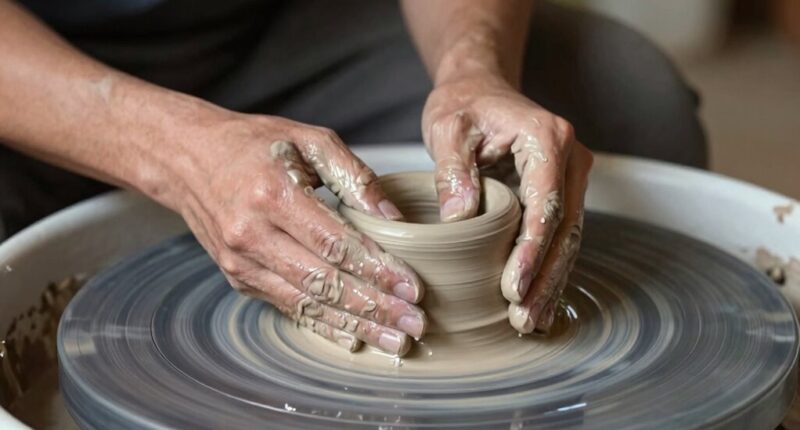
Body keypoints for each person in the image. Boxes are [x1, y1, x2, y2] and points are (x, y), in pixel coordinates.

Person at [0, 0, 706, 356]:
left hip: (274, 27)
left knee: (626, 100)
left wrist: (472, 66)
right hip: (38, 69)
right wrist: (175, 150)